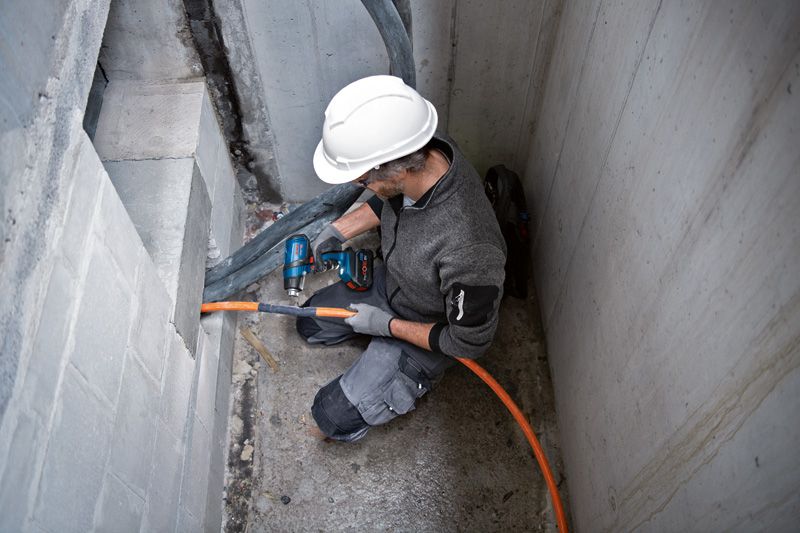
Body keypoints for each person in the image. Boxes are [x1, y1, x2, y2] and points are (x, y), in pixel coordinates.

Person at [297, 75, 506, 442]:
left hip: (427, 323)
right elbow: (391, 197)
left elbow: (468, 343)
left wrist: (386, 326)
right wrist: (338, 231)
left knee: (332, 418)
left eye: (362, 181)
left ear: (397, 169)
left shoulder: (470, 251)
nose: (360, 187)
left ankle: (410, 373)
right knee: (309, 324)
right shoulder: (425, 150)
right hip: (396, 282)